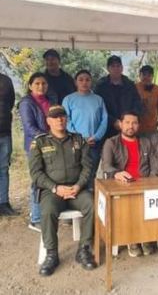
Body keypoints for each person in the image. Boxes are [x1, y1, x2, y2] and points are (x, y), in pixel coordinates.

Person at [29, 105, 97, 276]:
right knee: (47, 211)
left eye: (62, 116)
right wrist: (55, 188)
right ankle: (51, 254)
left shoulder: (78, 140)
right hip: (52, 191)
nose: (59, 119)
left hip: (77, 189)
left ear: (66, 119)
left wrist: (78, 186)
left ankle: (84, 250)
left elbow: (87, 167)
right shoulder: (40, 142)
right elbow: (36, 173)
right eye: (54, 117)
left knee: (93, 205)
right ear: (48, 121)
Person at [102, 111, 158, 257]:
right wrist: (116, 173)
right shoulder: (111, 143)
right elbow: (106, 166)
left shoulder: (146, 142)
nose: (130, 126)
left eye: (134, 123)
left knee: (151, 201)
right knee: (130, 204)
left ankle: (146, 237)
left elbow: (155, 167)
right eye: (127, 122)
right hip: (123, 185)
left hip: (144, 183)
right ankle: (132, 239)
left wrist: (151, 182)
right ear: (120, 124)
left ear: (138, 126)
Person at [19, 72, 58, 231]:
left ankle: (45, 214)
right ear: (30, 86)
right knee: (38, 180)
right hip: (35, 146)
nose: (41, 86)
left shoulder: (50, 100)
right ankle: (35, 219)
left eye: (43, 83)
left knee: (49, 178)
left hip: (50, 145)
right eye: (37, 84)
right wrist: (48, 138)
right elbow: (29, 127)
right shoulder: (26, 103)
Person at [62, 70, 108, 191]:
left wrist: (96, 137)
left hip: (94, 143)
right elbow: (66, 120)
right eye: (81, 80)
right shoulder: (68, 99)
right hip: (75, 143)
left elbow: (104, 120)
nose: (84, 82)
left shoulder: (98, 99)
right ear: (75, 82)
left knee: (91, 173)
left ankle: (90, 199)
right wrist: (81, 138)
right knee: (75, 173)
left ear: (91, 82)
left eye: (87, 79)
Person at [95, 55, 143, 139]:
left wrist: (128, 120)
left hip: (128, 127)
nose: (116, 69)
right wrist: (113, 121)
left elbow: (137, 104)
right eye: (113, 66)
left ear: (122, 68)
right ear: (108, 68)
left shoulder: (130, 85)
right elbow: (97, 107)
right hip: (106, 128)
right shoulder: (101, 86)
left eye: (118, 66)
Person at [135, 65, 158, 148]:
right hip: (137, 129)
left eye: (149, 75)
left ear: (152, 76)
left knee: (153, 154)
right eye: (144, 75)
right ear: (140, 75)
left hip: (152, 129)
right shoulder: (134, 88)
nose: (146, 77)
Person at [0, 71, 16, 216]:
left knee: (3, 168)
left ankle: (3, 203)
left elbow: (10, 102)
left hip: (4, 131)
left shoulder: (6, 80)